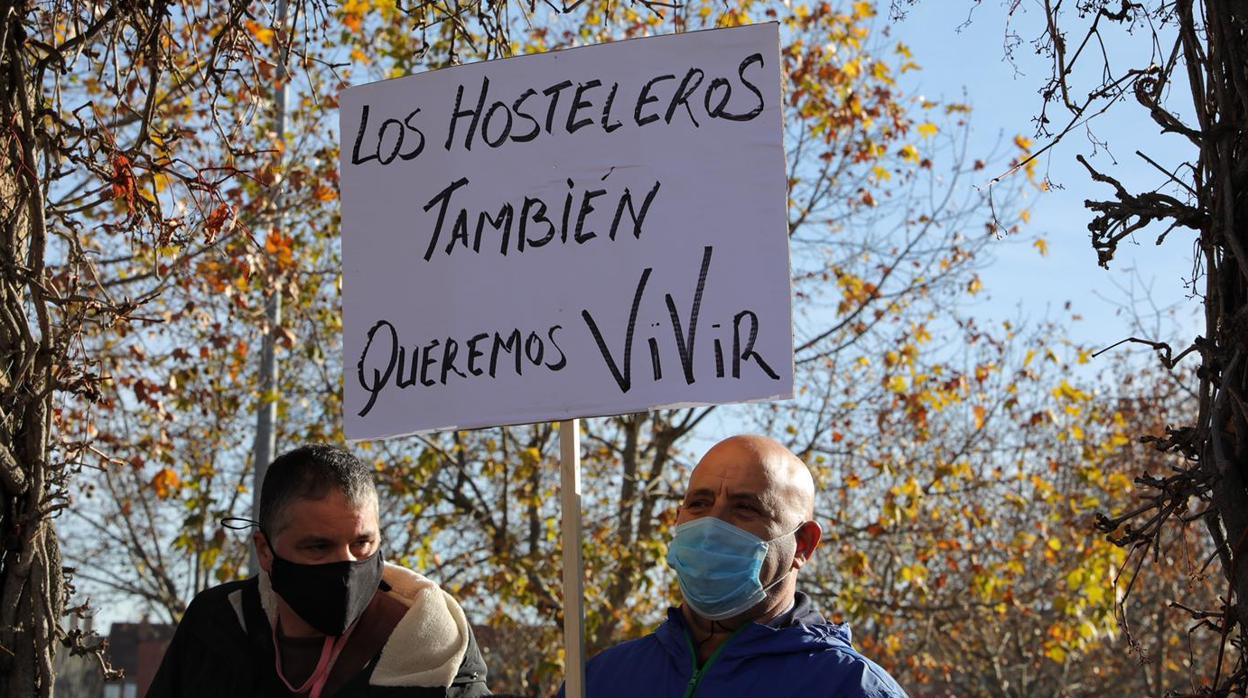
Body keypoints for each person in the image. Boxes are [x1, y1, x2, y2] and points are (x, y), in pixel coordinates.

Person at [564, 434, 905, 698]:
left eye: (745, 509)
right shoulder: (601, 679)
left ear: (803, 544)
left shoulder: (849, 688)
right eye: (699, 503)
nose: (711, 528)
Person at [149, 444, 490, 697]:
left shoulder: (438, 650)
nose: (347, 564)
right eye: (318, 547)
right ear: (265, 551)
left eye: (362, 543)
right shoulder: (216, 624)